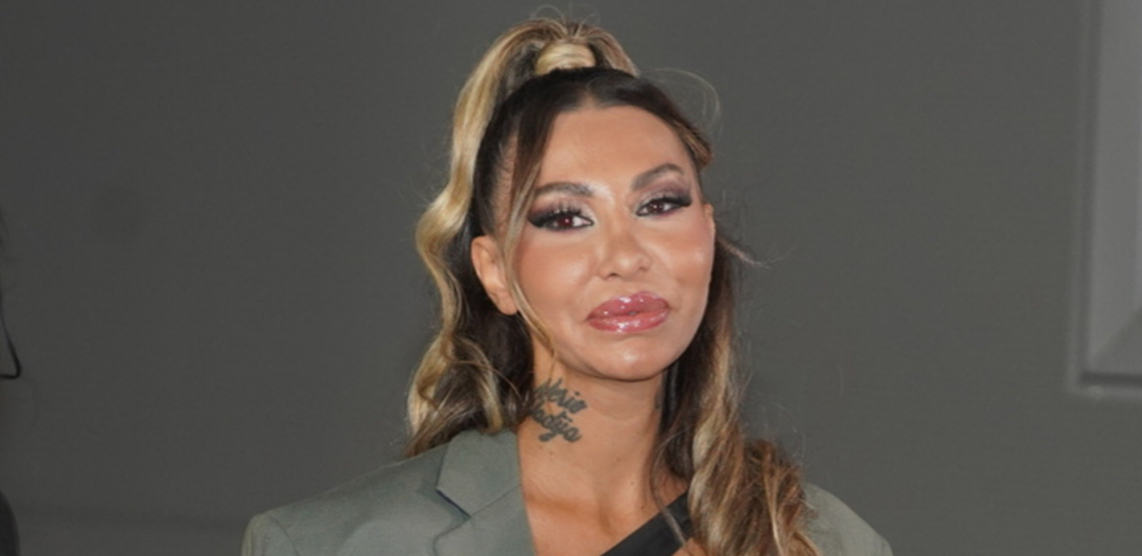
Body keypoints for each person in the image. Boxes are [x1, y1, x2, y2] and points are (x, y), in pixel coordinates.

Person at [243, 17, 891, 556]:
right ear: (496, 273)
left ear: (707, 234)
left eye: (659, 205)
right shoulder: (331, 544)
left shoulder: (820, 541)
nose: (625, 256)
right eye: (565, 218)